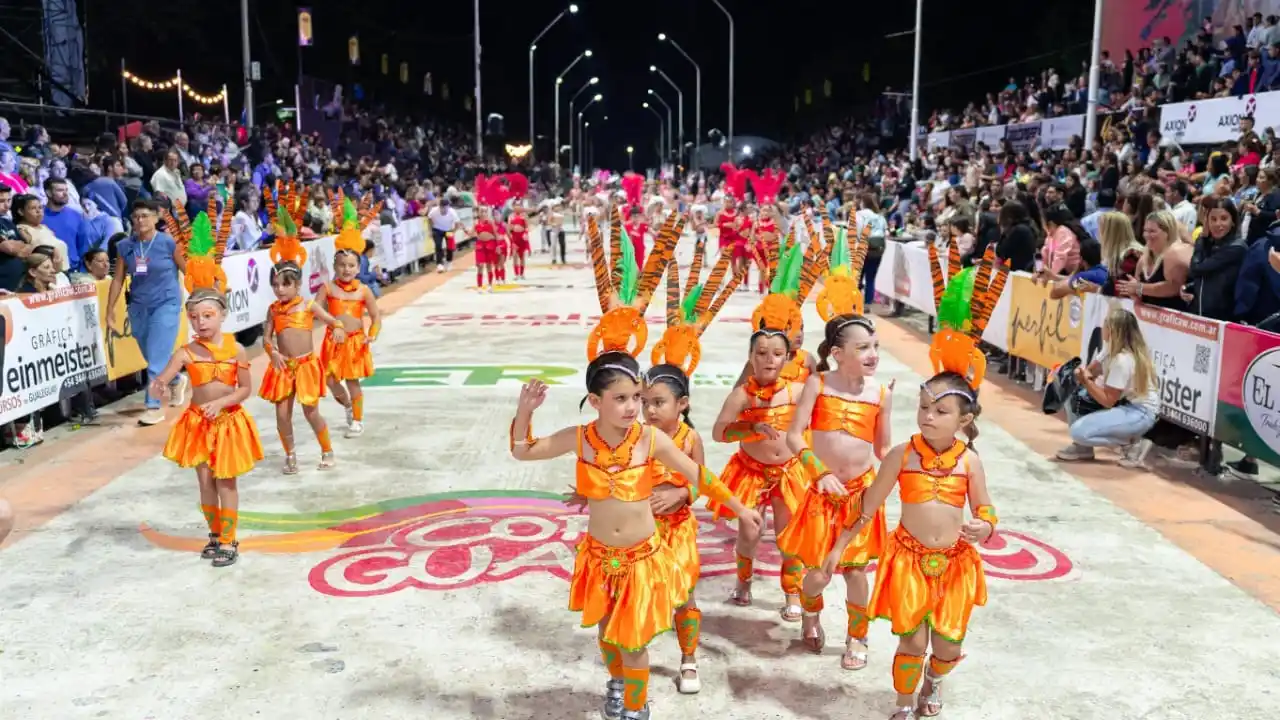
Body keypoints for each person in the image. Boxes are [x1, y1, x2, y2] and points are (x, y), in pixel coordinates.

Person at [512, 243, 762, 720]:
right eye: (623, 398)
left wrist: (740, 507)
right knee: (608, 633)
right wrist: (524, 412)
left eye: (638, 398)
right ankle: (617, 686)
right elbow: (523, 450)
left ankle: (637, 705)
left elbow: (699, 475)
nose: (633, 407)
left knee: (634, 639)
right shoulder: (579, 439)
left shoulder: (650, 440)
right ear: (596, 400)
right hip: (598, 556)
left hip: (644, 555)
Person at [826, 371, 995, 720]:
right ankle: (903, 703)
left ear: (964, 419)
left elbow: (985, 508)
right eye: (924, 408)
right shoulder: (902, 456)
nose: (928, 416)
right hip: (908, 561)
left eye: (940, 411)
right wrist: (839, 546)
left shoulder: (969, 461)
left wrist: (986, 526)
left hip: (954, 565)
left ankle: (934, 679)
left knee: (949, 646)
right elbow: (866, 506)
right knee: (912, 642)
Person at [778, 231, 891, 669]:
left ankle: (857, 638)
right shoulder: (818, 384)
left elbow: (882, 448)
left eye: (876, 347)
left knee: (857, 569)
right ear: (838, 353)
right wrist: (817, 471)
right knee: (816, 572)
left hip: (861, 494)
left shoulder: (882, 392)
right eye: (863, 348)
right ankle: (810, 612)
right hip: (821, 491)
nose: (872, 354)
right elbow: (794, 436)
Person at [151, 212, 264, 568]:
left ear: (222, 315)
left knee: (226, 480)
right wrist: (161, 387)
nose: (201, 323)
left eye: (207, 316)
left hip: (228, 421)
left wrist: (225, 403)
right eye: (195, 317)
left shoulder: (236, 349)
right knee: (205, 482)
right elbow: (164, 377)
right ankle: (214, 534)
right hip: (198, 423)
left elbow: (246, 389)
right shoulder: (186, 351)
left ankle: (230, 539)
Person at [708, 242, 813, 619]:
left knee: (789, 538)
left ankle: (792, 595)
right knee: (749, 534)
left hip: (788, 473)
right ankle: (744, 582)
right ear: (750, 356)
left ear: (789, 357)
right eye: (761, 354)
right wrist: (750, 428)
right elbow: (720, 433)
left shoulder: (800, 387)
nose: (769, 360)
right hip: (750, 473)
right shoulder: (743, 392)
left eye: (777, 354)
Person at [260, 210, 344, 473]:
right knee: (282, 415)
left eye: (285, 285)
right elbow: (265, 337)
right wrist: (271, 352)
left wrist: (339, 328)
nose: (279, 289)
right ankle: (291, 455)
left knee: (310, 412)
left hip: (306, 366)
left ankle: (327, 449)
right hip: (283, 368)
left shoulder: (308, 306)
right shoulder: (273, 310)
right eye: (275, 285)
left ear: (297, 285)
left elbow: (333, 320)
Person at [107, 199, 188, 426]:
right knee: (150, 354)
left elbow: (187, 270)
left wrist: (204, 296)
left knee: (155, 359)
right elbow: (118, 279)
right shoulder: (125, 246)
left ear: (155, 218)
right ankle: (175, 379)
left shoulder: (169, 243)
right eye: (136, 217)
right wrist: (110, 310)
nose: (140, 220)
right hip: (138, 307)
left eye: (144, 215)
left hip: (166, 304)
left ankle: (153, 406)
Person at [1055, 307, 1160, 467]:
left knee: (1078, 432)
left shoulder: (1122, 360)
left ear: (1113, 331)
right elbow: (1092, 370)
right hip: (1125, 405)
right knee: (1072, 392)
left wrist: (1086, 381)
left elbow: (1108, 400)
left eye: (1106, 324)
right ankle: (1083, 449)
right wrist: (1079, 375)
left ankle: (1132, 444)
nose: (1102, 327)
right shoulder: (1109, 346)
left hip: (1139, 412)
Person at [317, 199, 381, 438]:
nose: (346, 269)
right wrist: (332, 322)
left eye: (351, 265)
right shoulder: (327, 288)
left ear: (358, 267)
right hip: (333, 342)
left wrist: (372, 335)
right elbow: (314, 309)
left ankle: (357, 419)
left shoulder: (363, 290)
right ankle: (346, 405)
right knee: (331, 381)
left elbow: (376, 317)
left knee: (353, 381)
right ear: (335, 265)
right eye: (342, 265)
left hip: (355, 342)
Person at [427, 198, 460, 273]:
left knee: (450, 247)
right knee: (438, 245)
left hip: (448, 230)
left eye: (446, 207)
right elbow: (429, 219)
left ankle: (449, 262)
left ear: (448, 206)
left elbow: (457, 224)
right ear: (439, 206)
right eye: (442, 207)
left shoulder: (452, 212)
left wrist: (453, 232)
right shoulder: (434, 211)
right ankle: (439, 264)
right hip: (437, 229)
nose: (444, 209)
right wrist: (430, 230)